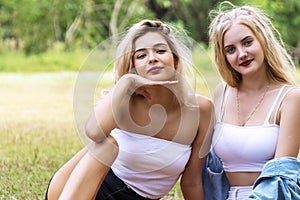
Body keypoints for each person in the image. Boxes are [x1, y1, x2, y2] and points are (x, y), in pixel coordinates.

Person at [46, 19, 214, 200]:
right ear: (132, 67)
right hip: (79, 189)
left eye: (160, 50)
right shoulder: (124, 101)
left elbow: (192, 181)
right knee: (107, 144)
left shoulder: (202, 110)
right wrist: (127, 82)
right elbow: (94, 133)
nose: (152, 58)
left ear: (175, 58)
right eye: (141, 55)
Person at [203, 1, 300, 199]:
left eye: (247, 42)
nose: (242, 54)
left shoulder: (290, 98)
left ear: (263, 40)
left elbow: (281, 179)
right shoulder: (221, 93)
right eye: (231, 49)